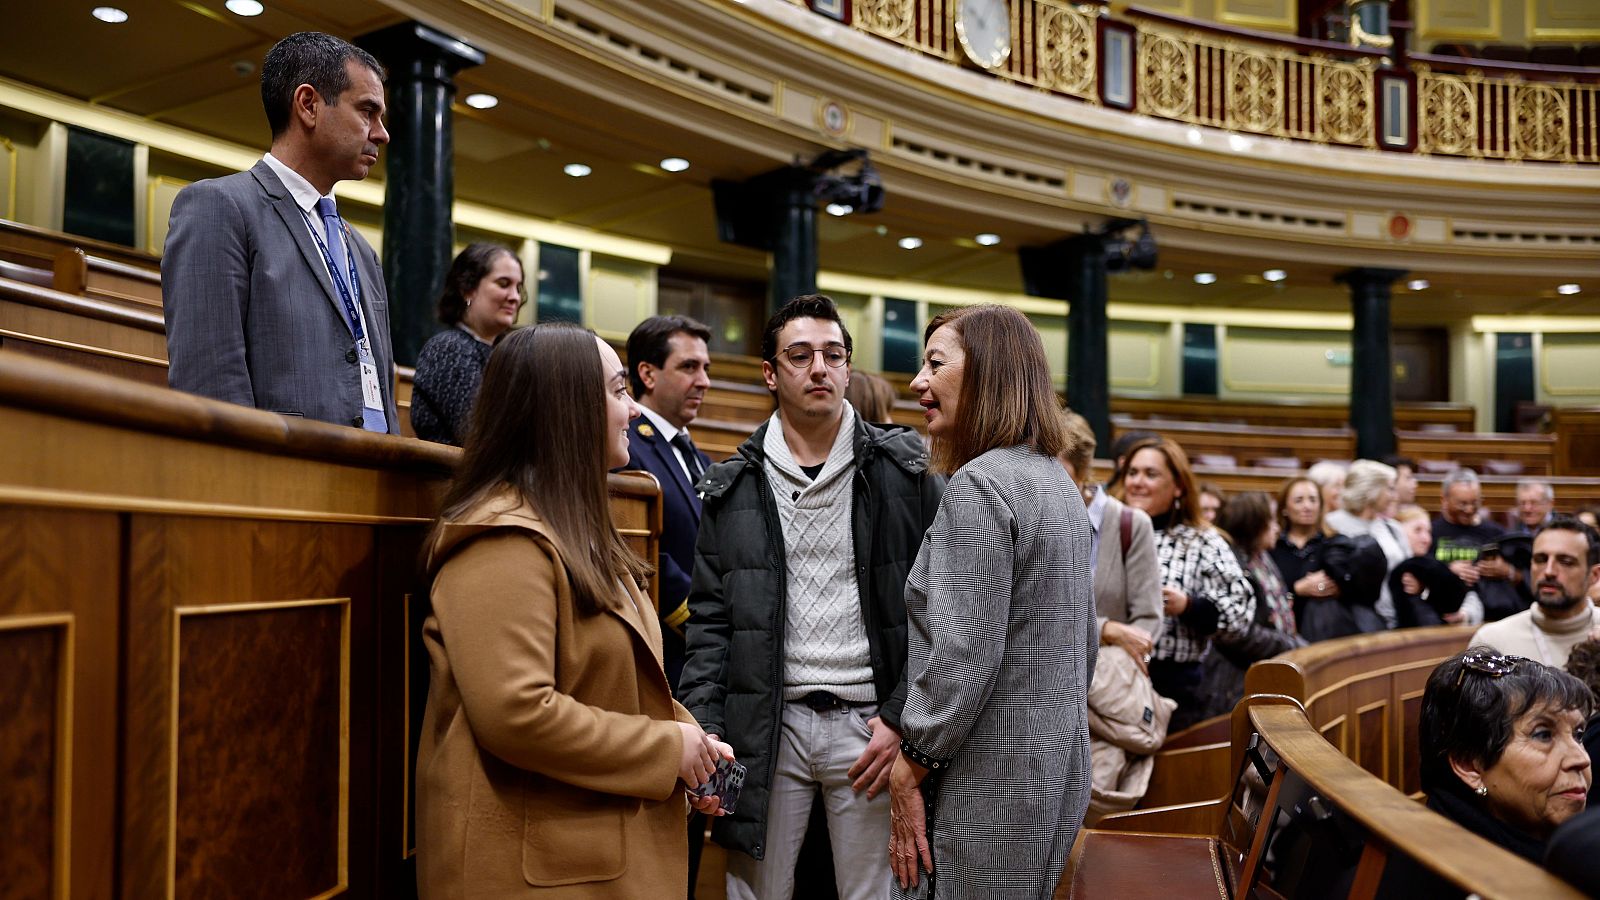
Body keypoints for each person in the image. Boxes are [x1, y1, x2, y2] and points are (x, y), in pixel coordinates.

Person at [414, 323, 731, 898]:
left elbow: (613, 680)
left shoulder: (576, 527)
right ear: (566, 409)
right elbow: (517, 713)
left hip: (590, 853)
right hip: (536, 869)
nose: (632, 410)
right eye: (617, 391)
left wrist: (692, 742)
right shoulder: (502, 538)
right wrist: (668, 749)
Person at [680, 295, 942, 900]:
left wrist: (901, 716)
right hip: (769, 723)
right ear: (771, 374)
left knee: (878, 892)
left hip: (871, 724)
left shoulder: (906, 472)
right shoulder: (732, 485)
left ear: (848, 367)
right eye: (799, 356)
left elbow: (937, 613)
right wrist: (709, 729)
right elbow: (711, 626)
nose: (819, 368)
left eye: (833, 355)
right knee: (754, 892)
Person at [889, 305, 1094, 900]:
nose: (917, 383)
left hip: (986, 781)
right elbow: (1084, 646)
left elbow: (961, 656)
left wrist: (914, 759)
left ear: (988, 374)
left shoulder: (980, 485)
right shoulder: (1056, 482)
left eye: (934, 364)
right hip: (1055, 767)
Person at [163, 32, 399, 433]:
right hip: (281, 478)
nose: (381, 133)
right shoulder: (219, 207)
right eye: (367, 111)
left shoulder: (360, 249)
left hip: (373, 473)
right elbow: (210, 382)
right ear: (308, 105)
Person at [1381, 649, 1590, 897]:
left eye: (1578, 735)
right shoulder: (1450, 880)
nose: (1581, 758)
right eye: (1543, 735)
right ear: (1470, 765)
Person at [1112, 436, 1255, 730]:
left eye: (1151, 474)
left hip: (1174, 689)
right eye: (1133, 473)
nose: (1138, 482)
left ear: (1178, 486)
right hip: (1107, 678)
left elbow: (1241, 611)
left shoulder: (1201, 540)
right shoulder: (1105, 531)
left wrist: (1188, 606)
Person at [617, 315, 713, 691]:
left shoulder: (699, 459)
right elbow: (641, 550)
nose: (704, 381)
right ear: (648, 373)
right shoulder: (628, 449)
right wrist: (707, 627)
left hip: (700, 658)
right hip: (668, 650)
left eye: (705, 368)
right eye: (689, 366)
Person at [1059, 411, 1161, 672]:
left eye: (1057, 472)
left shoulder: (1130, 523)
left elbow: (1148, 619)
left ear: (1082, 471)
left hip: (1106, 682)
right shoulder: (1029, 518)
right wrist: (1105, 628)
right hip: (1040, 679)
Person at [1201, 491, 1306, 718]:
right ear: (1253, 524)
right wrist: (1289, 644)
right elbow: (1239, 633)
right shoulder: (1231, 563)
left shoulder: (1263, 558)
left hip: (1265, 668)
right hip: (1232, 680)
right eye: (1271, 521)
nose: (1277, 527)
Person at [410, 243, 525, 444]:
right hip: (450, 474)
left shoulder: (507, 353)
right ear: (468, 289)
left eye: (518, 287)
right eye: (503, 283)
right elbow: (480, 435)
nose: (514, 297)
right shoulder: (448, 349)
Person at [1469, 517, 1600, 668]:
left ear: (1593, 575)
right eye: (1541, 560)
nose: (1549, 571)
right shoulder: (1491, 642)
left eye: (1566, 562)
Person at [1433, 468, 1529, 622]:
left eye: (1475, 502)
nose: (1469, 509)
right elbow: (1418, 571)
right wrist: (1446, 571)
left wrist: (1505, 571)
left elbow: (1523, 576)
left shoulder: (1496, 532)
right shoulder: (1430, 532)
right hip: (1444, 613)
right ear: (1444, 500)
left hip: (1491, 614)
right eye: (1462, 504)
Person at [1323, 460, 1408, 628]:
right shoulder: (1330, 525)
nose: (1394, 496)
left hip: (1398, 618)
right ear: (1372, 490)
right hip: (1353, 622)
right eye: (1390, 488)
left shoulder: (1393, 528)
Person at [1389, 504, 1471, 627]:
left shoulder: (1431, 564)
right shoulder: (1392, 564)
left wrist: (1423, 589)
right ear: (1398, 531)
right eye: (1417, 530)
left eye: (1428, 532)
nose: (1426, 539)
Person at [1270, 476, 1339, 623]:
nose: (1307, 506)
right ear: (1284, 508)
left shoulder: (1334, 543)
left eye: (1313, 500)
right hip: (1282, 625)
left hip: (1324, 625)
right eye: (1299, 500)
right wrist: (1296, 589)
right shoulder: (1272, 545)